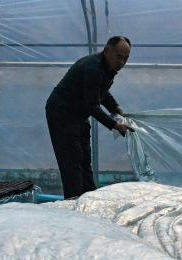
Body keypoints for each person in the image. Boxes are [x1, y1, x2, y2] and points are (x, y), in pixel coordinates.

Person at [45, 36, 133, 199]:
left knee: (85, 159)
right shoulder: (93, 68)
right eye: (118, 56)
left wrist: (115, 108)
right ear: (107, 51)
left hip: (79, 113)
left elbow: (101, 91)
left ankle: (89, 198)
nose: (121, 62)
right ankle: (74, 201)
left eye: (125, 58)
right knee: (72, 160)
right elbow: (92, 106)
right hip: (62, 113)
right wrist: (115, 125)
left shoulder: (107, 67)